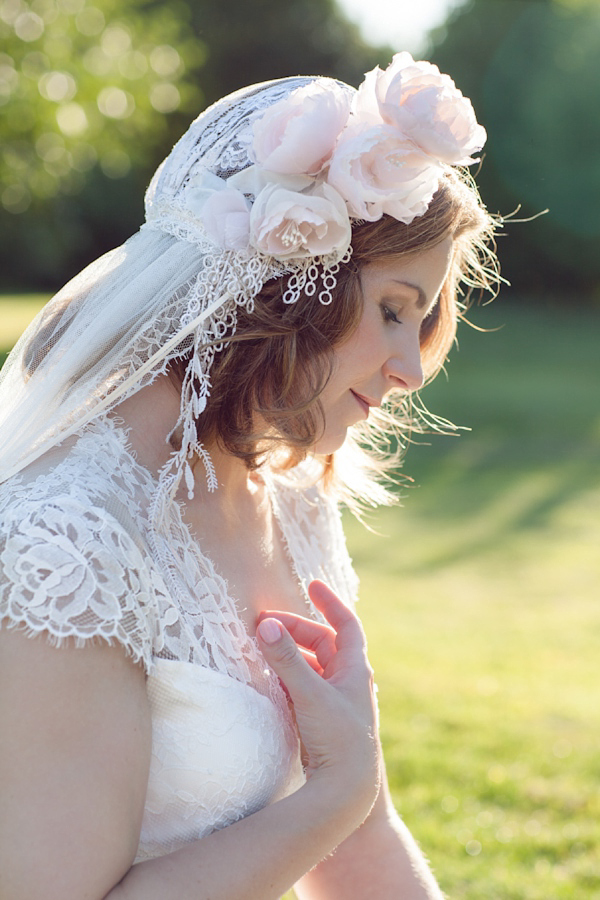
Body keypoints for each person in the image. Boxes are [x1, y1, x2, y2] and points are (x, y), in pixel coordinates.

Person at [0, 53, 499, 899]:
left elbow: (359, 838)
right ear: (288, 285)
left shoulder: (293, 505)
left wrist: (355, 800)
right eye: (392, 309)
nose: (414, 367)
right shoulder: (66, 540)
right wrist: (338, 797)